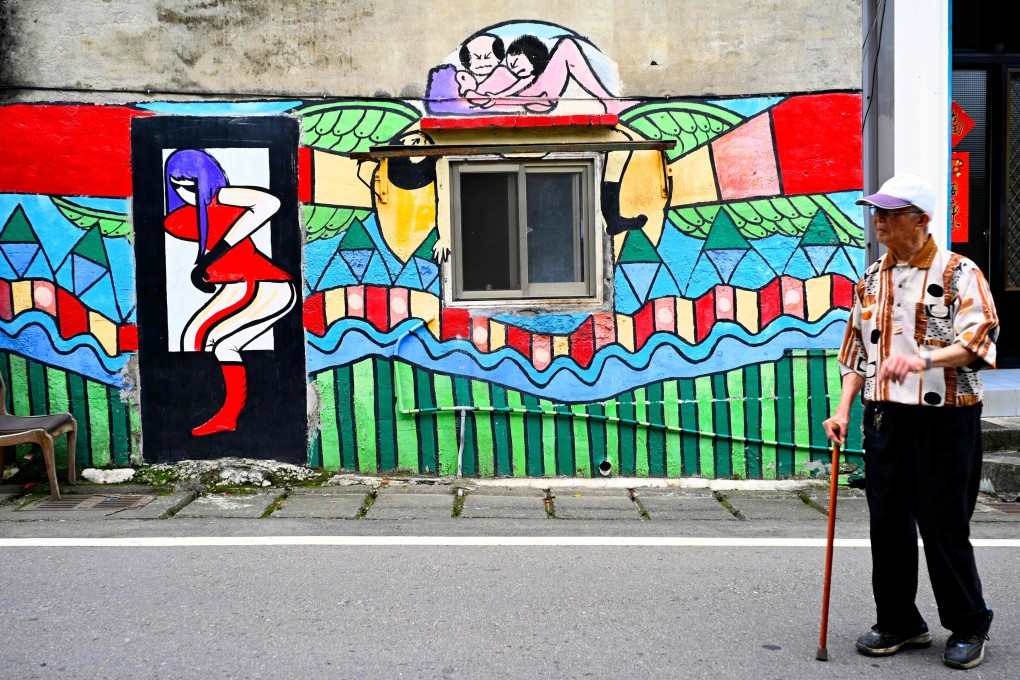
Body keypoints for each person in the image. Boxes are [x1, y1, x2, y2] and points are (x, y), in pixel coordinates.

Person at [823, 173, 999, 670]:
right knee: (888, 524)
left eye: (890, 213)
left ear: (921, 219)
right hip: (883, 417)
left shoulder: (962, 273)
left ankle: (968, 625)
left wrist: (923, 360)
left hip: (945, 419)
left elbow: (980, 344)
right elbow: (855, 352)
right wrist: (841, 409)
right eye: (876, 212)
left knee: (943, 526)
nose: (878, 221)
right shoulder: (871, 277)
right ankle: (900, 621)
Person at [163, 149, 298, 437]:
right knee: (195, 338)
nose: (184, 191)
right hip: (238, 286)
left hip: (267, 285)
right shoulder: (183, 218)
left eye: (192, 184)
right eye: (176, 185)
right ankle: (205, 407)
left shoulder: (221, 202)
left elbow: (269, 202)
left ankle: (229, 416)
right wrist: (208, 265)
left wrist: (218, 194)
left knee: (225, 344)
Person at [462, 35, 622, 114]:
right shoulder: (503, 73)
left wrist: (498, 96)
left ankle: (606, 99)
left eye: (517, 63)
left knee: (567, 45)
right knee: (567, 46)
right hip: (534, 98)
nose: (514, 68)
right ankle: (607, 100)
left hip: (540, 94)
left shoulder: (534, 76)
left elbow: (523, 82)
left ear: (532, 57)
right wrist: (472, 90)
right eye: (512, 65)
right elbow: (519, 84)